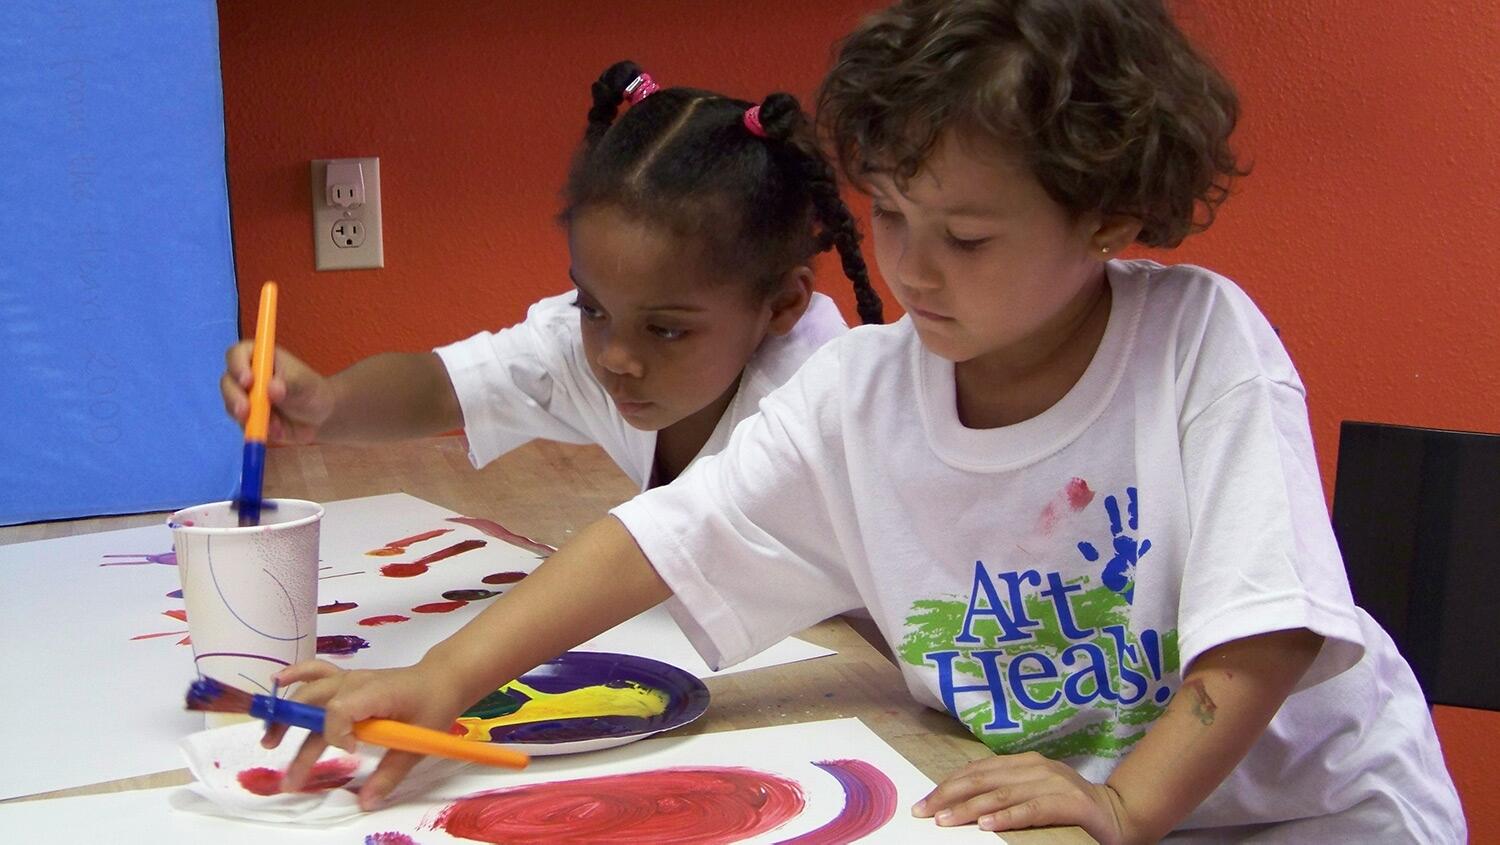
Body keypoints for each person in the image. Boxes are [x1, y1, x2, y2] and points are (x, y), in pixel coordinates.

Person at [267, 4, 1465, 841]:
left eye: (969, 236)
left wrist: (1126, 805)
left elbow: (1263, 638)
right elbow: (657, 539)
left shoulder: (1200, 343)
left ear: (1103, 210)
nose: (914, 268)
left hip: (1312, 815)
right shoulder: (861, 393)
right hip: (1067, 814)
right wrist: (445, 673)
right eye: (891, 216)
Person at [220, 60, 882, 491]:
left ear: (784, 303)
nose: (616, 356)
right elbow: (440, 390)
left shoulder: (826, 403)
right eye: (592, 306)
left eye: (667, 330)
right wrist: (326, 404)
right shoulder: (597, 348)